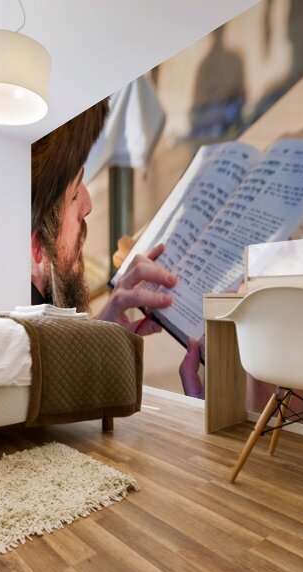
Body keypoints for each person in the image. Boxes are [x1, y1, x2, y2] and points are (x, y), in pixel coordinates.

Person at [30, 99, 205, 397]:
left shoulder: (41, 311)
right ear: (37, 247)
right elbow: (54, 396)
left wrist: (102, 333)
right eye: (74, 196)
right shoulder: (26, 334)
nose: (88, 205)